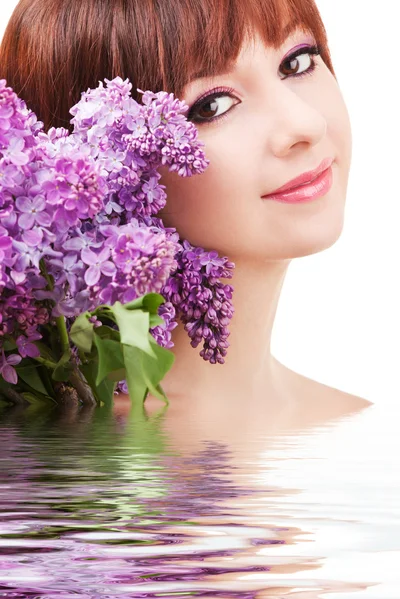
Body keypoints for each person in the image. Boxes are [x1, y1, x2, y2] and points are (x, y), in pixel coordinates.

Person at [0, 0, 372, 435]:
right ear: (94, 165)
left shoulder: (362, 428)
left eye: (297, 61)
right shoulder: (69, 455)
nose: (305, 124)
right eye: (212, 105)